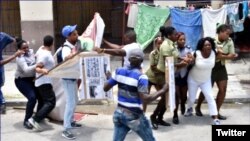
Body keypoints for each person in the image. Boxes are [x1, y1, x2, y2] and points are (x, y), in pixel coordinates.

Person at [103, 48, 168, 141]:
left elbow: (105, 88)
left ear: (128, 59)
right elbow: (145, 98)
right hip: (134, 116)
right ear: (142, 61)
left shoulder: (118, 71)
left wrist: (110, 78)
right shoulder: (141, 77)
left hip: (119, 113)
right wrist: (163, 90)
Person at [195, 24, 237, 120]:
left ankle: (216, 112)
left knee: (223, 89)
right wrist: (226, 55)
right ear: (221, 32)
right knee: (206, 89)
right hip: (209, 67)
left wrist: (222, 55)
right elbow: (216, 56)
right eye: (226, 34)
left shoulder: (229, 41)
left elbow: (232, 55)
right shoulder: (211, 41)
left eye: (229, 34)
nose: (228, 36)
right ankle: (198, 107)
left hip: (221, 66)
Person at [150, 26, 188, 129]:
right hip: (162, 74)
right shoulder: (166, 45)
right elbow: (169, 63)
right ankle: (154, 116)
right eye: (175, 35)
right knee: (166, 97)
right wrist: (183, 64)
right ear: (169, 35)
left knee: (169, 97)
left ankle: (159, 117)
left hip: (169, 73)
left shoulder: (172, 44)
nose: (177, 36)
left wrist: (182, 58)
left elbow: (174, 56)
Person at [184, 37, 220, 125]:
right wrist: (189, 59)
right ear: (202, 47)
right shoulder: (197, 53)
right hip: (193, 79)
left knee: (210, 97)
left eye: (209, 45)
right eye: (206, 45)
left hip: (206, 80)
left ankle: (215, 118)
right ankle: (189, 108)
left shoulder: (214, 53)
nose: (208, 46)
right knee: (192, 99)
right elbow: (189, 59)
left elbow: (222, 53)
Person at [28, 35, 56, 131]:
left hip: (41, 82)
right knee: (51, 102)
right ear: (52, 43)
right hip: (44, 82)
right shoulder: (45, 55)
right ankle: (34, 119)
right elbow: (37, 68)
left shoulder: (41, 49)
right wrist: (43, 70)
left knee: (43, 101)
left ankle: (38, 119)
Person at [14, 39, 43, 129]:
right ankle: (27, 120)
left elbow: (36, 56)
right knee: (32, 98)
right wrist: (37, 65)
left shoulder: (31, 52)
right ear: (19, 49)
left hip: (32, 79)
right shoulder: (19, 58)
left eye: (27, 47)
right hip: (21, 80)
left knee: (42, 97)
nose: (26, 49)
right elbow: (26, 70)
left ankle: (37, 117)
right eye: (23, 48)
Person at [61, 25, 82, 140]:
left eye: (77, 33)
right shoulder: (66, 48)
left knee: (75, 101)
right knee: (70, 103)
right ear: (68, 36)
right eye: (74, 34)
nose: (77, 35)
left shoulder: (73, 45)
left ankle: (72, 121)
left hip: (73, 78)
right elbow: (66, 57)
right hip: (68, 79)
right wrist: (76, 53)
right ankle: (66, 129)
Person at [0, 32, 24, 114]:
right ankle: (2, 104)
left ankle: (2, 104)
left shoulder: (3, 36)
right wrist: (15, 55)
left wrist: (20, 49)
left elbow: (15, 40)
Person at [173, 32, 193, 124]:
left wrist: (189, 59)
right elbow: (173, 60)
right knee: (176, 96)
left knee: (184, 95)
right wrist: (183, 59)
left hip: (185, 74)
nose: (182, 41)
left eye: (184, 39)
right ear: (177, 40)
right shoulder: (173, 49)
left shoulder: (188, 48)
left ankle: (183, 105)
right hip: (175, 75)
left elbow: (191, 59)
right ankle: (175, 115)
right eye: (180, 39)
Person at [144, 37, 163, 114]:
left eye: (162, 43)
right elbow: (153, 67)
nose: (160, 45)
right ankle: (143, 113)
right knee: (145, 97)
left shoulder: (165, 54)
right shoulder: (153, 53)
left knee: (163, 97)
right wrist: (163, 69)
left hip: (158, 79)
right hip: (149, 78)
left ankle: (157, 113)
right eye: (159, 43)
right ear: (156, 44)